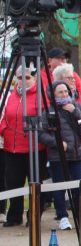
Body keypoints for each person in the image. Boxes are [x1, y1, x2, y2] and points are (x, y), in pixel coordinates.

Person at [38, 81, 81, 229]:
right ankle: (62, 216)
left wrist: (75, 111)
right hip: (58, 156)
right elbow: (41, 134)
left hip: (78, 154)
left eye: (66, 91)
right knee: (59, 188)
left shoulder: (76, 106)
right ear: (53, 95)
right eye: (60, 92)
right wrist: (57, 143)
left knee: (80, 188)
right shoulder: (49, 111)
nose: (64, 95)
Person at [0, 66, 44, 228]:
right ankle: (15, 215)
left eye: (26, 78)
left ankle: (34, 215)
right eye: (20, 78)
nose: (23, 81)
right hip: (12, 148)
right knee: (13, 182)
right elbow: (3, 115)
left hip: (34, 148)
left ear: (33, 79)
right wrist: (4, 129)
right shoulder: (10, 96)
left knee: (35, 183)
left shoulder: (40, 97)